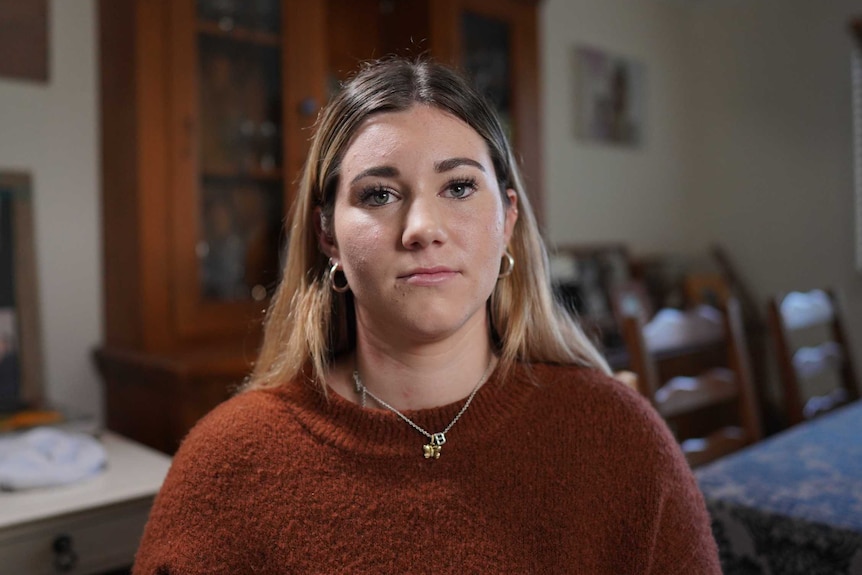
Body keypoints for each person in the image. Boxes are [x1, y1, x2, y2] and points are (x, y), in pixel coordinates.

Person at [133, 57, 720, 574]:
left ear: (508, 218)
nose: (422, 229)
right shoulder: (226, 465)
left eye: (459, 187)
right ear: (328, 236)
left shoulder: (621, 439)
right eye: (378, 195)